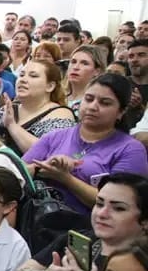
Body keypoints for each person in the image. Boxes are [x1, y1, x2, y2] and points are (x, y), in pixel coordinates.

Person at [15, 172, 148, 271]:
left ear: (145, 221)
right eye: (99, 204)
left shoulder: (142, 264)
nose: (102, 214)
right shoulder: (76, 239)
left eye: (118, 208)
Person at [24, 74, 148, 216]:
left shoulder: (130, 149)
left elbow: (117, 203)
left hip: (93, 225)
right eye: (88, 99)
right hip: (37, 218)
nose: (93, 107)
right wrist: (43, 167)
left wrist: (66, 178)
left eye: (105, 103)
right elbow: (17, 174)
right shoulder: (55, 136)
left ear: (121, 112)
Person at [0, 59, 76, 155]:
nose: (23, 80)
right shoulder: (8, 109)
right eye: (21, 75)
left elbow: (49, 153)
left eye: (33, 76)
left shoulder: (61, 114)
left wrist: (12, 125)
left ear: (50, 86)